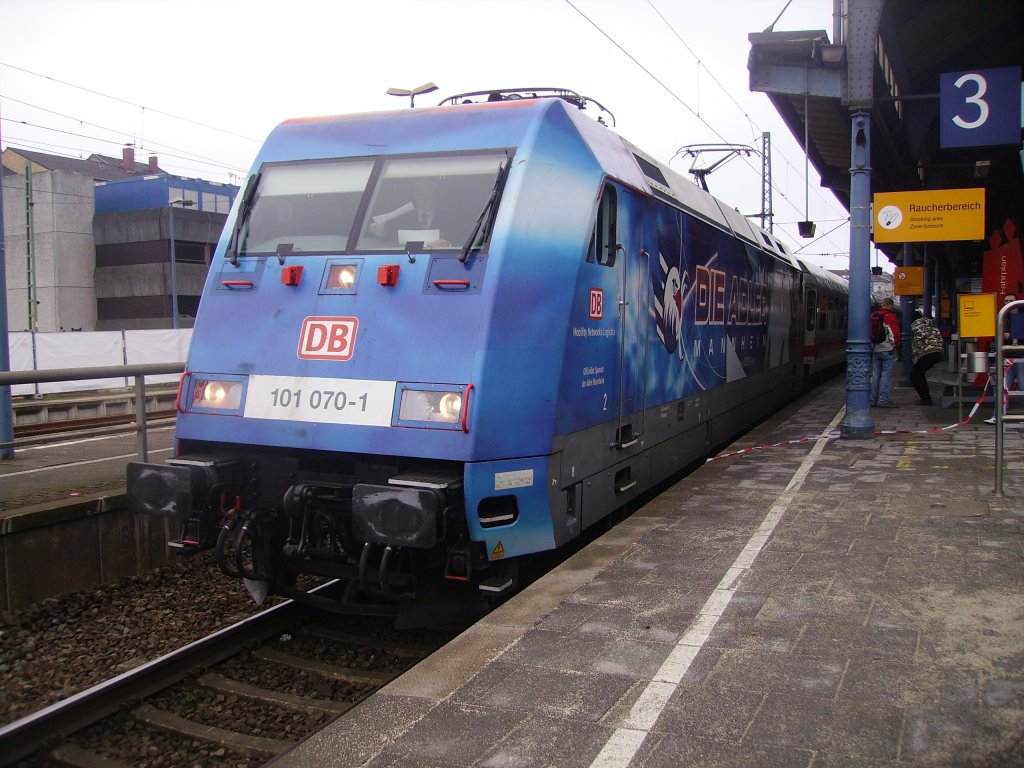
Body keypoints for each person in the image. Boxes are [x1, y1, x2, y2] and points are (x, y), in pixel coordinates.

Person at [369, 180, 450, 247]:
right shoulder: (402, 216)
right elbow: (391, 238)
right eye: (421, 194)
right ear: (415, 195)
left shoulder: (447, 217)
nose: (425, 198)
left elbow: (454, 239)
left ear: (436, 196)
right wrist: (381, 233)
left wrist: (447, 244)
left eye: (430, 194)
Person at [870, 298, 900, 407]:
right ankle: (883, 400)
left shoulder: (873, 316)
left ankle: (872, 399)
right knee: (886, 374)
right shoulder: (890, 316)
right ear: (890, 306)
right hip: (887, 349)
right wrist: (896, 346)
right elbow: (895, 333)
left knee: (875, 374)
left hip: (875, 348)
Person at [909, 310, 944, 405]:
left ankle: (926, 399)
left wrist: (915, 358)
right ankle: (926, 398)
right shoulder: (930, 323)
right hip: (937, 351)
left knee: (914, 376)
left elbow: (917, 342)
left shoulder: (916, 325)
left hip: (927, 352)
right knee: (919, 374)